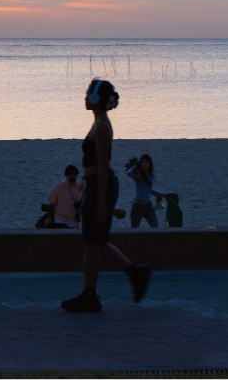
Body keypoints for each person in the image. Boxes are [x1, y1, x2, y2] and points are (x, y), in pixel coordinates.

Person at [61, 79, 152, 313]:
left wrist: (101, 202)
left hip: (100, 184)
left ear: (95, 98)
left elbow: (103, 167)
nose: (84, 97)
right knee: (95, 242)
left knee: (91, 243)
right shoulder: (99, 124)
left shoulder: (101, 127)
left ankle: (90, 295)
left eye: (87, 93)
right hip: (96, 184)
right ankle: (135, 273)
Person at [126, 154, 165, 228]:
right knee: (134, 230)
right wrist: (135, 166)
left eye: (147, 162)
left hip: (148, 206)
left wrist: (162, 195)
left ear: (150, 164)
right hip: (137, 206)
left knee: (155, 228)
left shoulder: (151, 177)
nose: (145, 164)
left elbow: (150, 190)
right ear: (140, 164)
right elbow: (128, 173)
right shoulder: (137, 176)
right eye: (142, 162)